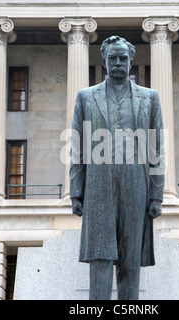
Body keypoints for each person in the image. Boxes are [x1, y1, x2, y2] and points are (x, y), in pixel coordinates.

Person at [69, 35, 165, 300]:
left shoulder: (150, 98)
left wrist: (157, 195)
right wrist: (76, 193)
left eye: (123, 58)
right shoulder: (86, 97)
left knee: (130, 259)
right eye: (113, 58)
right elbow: (77, 147)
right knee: (100, 255)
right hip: (98, 184)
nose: (119, 62)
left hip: (136, 184)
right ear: (104, 60)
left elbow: (157, 150)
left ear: (131, 60)